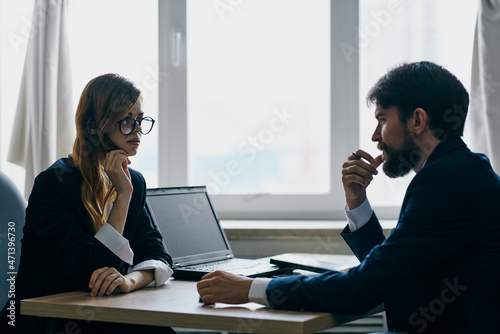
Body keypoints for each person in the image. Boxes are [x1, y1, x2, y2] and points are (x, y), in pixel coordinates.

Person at [196, 61, 500, 333]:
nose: (375, 136)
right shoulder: (462, 171)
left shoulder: (444, 181)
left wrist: (250, 289)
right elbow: (389, 273)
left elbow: (362, 289)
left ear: (417, 120)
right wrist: (357, 202)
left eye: (382, 119)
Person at [1, 74, 175, 333]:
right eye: (126, 121)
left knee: (157, 329)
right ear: (93, 126)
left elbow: (157, 255)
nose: (137, 129)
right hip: (45, 320)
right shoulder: (54, 184)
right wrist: (122, 197)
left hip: (97, 311)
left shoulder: (133, 182)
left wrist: (129, 281)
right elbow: (90, 269)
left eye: (139, 120)